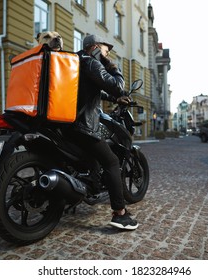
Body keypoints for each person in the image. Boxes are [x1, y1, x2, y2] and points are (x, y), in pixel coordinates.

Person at [67, 34, 138, 230]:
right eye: (107, 51)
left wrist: (115, 100)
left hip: (65, 125)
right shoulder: (92, 62)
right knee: (112, 161)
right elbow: (117, 85)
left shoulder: (75, 61)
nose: (107, 55)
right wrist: (111, 65)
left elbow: (92, 89)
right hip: (82, 126)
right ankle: (120, 214)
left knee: (94, 155)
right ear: (96, 47)